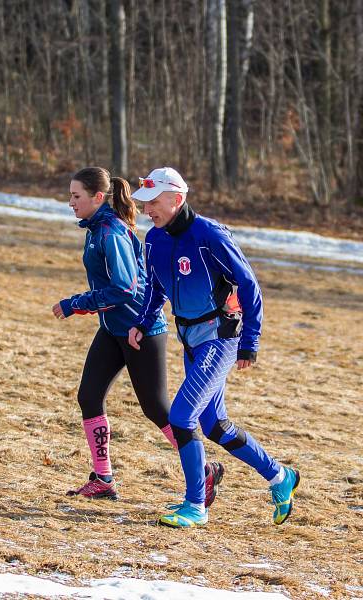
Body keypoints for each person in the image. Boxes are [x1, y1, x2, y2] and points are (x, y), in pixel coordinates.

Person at [127, 166, 300, 528]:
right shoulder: (154, 240)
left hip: (220, 339)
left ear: (177, 199)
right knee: (214, 426)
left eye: (154, 203)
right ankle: (280, 477)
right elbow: (156, 289)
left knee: (181, 416)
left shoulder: (209, 235)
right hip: (189, 340)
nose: (147, 211)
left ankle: (195, 505)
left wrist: (250, 341)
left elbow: (249, 285)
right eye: (144, 204)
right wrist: (142, 323)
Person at [53, 166, 224, 503]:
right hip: (113, 328)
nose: (70, 202)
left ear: (97, 198)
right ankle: (103, 478)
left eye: (76, 196)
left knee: (157, 409)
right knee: (88, 396)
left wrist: (77, 303)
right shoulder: (95, 227)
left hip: (141, 330)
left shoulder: (111, 231)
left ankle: (204, 470)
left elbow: (125, 286)